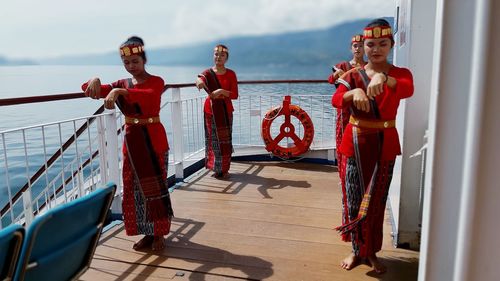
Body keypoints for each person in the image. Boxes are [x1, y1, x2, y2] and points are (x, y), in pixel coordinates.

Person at [331, 19, 414, 274]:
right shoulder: (353, 75)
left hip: (384, 143)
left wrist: (383, 77)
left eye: (382, 43)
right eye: (370, 44)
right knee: (355, 198)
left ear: (390, 45)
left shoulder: (400, 73)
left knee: (377, 202)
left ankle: (372, 252)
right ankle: (358, 250)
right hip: (355, 142)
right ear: (363, 46)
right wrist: (352, 94)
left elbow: (407, 89)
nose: (376, 49)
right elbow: (336, 99)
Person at [82, 36, 173, 251]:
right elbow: (92, 91)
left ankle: (159, 233)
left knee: (156, 188)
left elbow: (148, 97)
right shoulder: (121, 84)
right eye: (126, 63)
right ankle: (147, 234)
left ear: (144, 60)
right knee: (135, 190)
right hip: (132, 144)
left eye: (135, 62)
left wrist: (119, 92)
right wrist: (93, 80)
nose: (131, 67)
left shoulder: (157, 81)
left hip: (153, 141)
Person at [328, 34, 366, 243]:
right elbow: (332, 80)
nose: (357, 49)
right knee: (345, 163)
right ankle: (348, 222)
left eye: (360, 45)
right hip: (344, 118)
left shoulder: (369, 68)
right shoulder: (342, 65)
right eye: (355, 46)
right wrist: (339, 75)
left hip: (362, 120)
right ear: (351, 48)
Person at [195, 44, 239, 179]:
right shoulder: (208, 73)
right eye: (216, 54)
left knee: (225, 141)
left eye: (222, 55)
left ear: (226, 58)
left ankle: (224, 169)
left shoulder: (231, 74)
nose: (218, 57)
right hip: (210, 110)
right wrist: (198, 81)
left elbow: (235, 95)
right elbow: (200, 78)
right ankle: (215, 167)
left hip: (225, 111)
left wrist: (221, 92)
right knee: (212, 140)